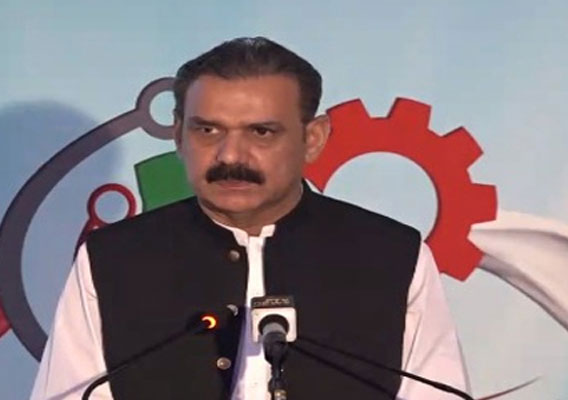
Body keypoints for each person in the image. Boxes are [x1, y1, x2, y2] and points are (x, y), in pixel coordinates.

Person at [30, 36, 469, 400]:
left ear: (313, 138)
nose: (230, 156)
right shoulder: (114, 259)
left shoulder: (391, 255)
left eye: (261, 132)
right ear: (179, 135)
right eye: (208, 130)